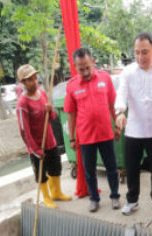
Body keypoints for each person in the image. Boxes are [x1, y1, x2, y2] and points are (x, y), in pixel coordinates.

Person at [114, 32, 152, 216]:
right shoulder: (128, 71)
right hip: (134, 129)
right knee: (132, 168)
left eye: (144, 52)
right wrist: (120, 111)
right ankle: (132, 200)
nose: (140, 57)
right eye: (137, 52)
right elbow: (121, 93)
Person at [64, 47, 121, 212]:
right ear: (75, 67)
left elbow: (112, 104)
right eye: (81, 69)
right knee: (89, 171)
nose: (85, 71)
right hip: (86, 136)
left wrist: (117, 125)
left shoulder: (105, 78)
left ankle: (115, 196)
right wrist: (72, 138)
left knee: (112, 167)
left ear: (93, 62)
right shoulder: (72, 85)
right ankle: (94, 199)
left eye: (88, 67)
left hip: (105, 133)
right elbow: (71, 114)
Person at [16, 64, 71, 208]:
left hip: (50, 141)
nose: (34, 82)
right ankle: (46, 198)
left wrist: (50, 110)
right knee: (41, 174)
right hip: (36, 146)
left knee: (56, 167)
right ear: (23, 83)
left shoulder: (42, 94)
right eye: (30, 80)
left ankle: (56, 193)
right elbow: (24, 131)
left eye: (35, 78)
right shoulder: (22, 103)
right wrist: (35, 150)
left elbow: (52, 116)